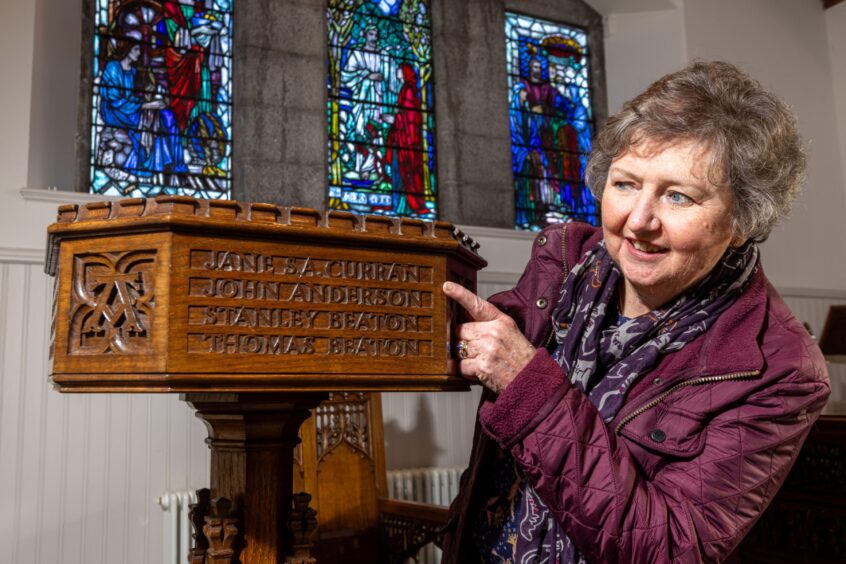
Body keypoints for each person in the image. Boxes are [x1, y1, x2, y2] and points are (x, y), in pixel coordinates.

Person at [441, 61, 830, 563]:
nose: (638, 221)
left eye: (677, 196)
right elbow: (458, 339)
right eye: (625, 184)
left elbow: (667, 549)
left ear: (742, 221)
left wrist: (528, 386)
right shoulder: (562, 264)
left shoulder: (780, 368)